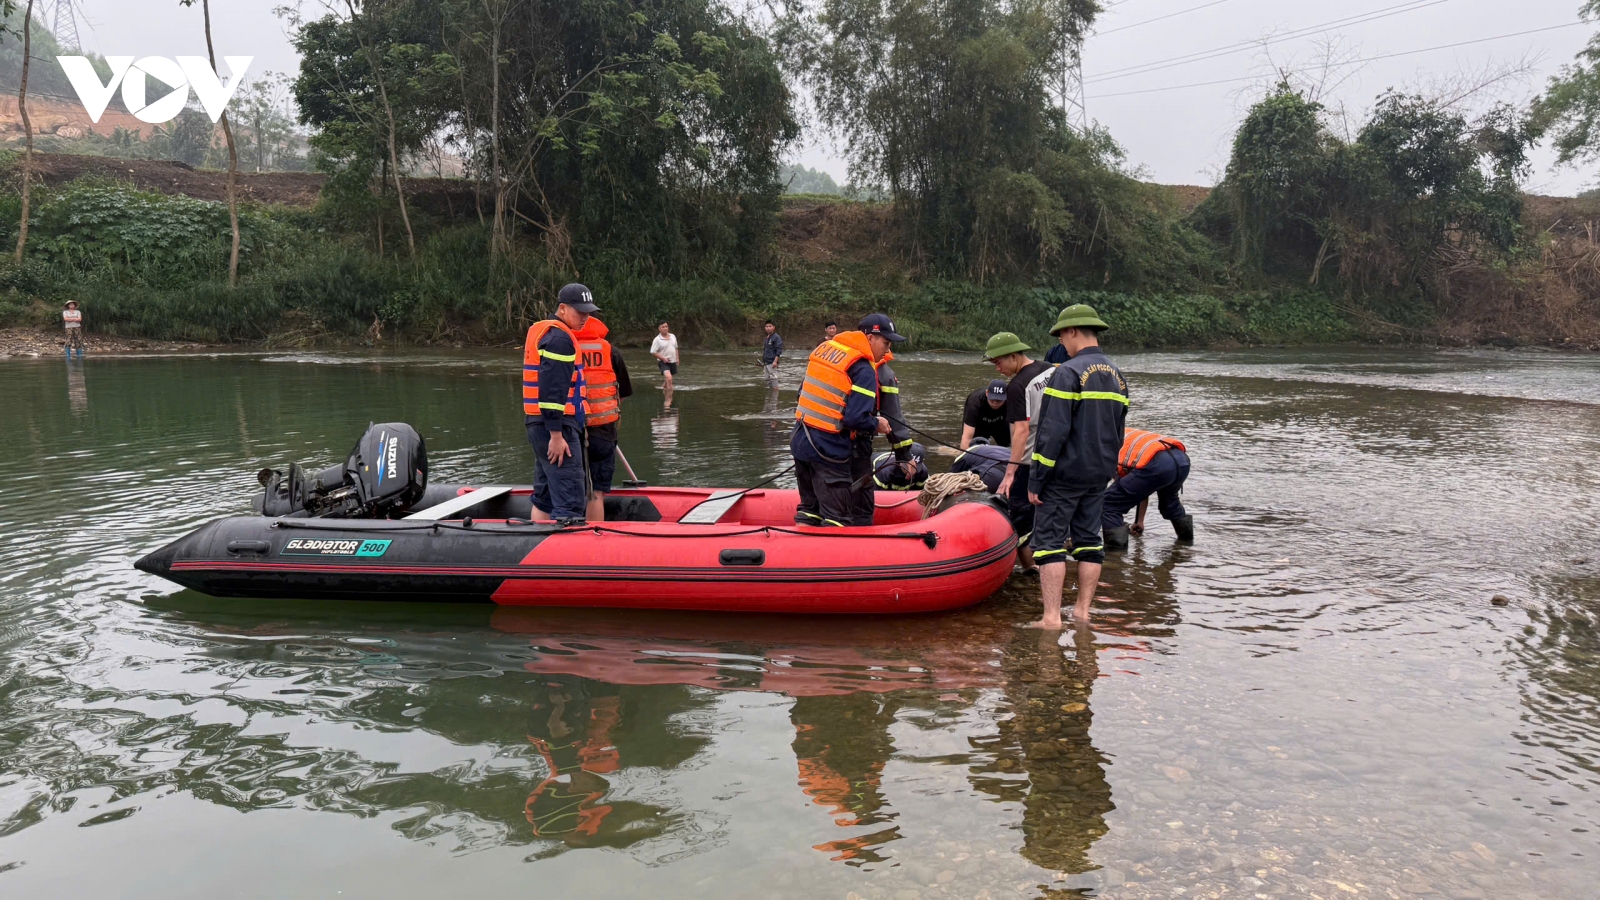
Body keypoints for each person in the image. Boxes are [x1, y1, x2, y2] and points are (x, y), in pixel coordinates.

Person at [1028, 304, 1129, 627]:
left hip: (1064, 474)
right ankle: (1083, 613)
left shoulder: (1067, 372)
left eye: (1062, 335)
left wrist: (1036, 479)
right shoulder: (1118, 377)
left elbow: (1052, 431)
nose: (1062, 343)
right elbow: (1119, 431)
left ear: (1072, 332)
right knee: (1089, 542)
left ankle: (1052, 618)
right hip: (1100, 474)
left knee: (1049, 544)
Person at [791, 313, 912, 527]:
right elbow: (855, 418)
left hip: (801, 440)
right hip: (829, 450)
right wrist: (878, 425)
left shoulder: (825, 352)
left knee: (810, 511)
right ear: (870, 337)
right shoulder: (865, 369)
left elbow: (804, 394)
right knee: (838, 520)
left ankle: (800, 551)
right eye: (886, 342)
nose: (888, 349)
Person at [523, 283, 599, 526]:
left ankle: (536, 547)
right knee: (571, 496)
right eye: (580, 312)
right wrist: (556, 434)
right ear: (563, 308)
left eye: (588, 313)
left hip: (540, 424)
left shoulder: (546, 332)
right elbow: (552, 390)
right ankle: (568, 554)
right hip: (556, 427)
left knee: (545, 494)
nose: (585, 318)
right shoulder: (559, 339)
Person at [983, 332, 1053, 572]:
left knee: (1021, 512)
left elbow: (1021, 431)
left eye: (998, 362)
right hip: (1056, 455)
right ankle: (1051, 557)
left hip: (1030, 460)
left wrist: (1010, 472)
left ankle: (1030, 569)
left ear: (1013, 356)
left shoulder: (1017, 387)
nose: (997, 369)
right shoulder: (1050, 369)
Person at [573, 315, 634, 523]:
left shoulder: (564, 349)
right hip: (603, 431)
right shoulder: (610, 351)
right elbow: (623, 392)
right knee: (596, 493)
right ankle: (593, 537)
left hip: (571, 431)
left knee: (571, 488)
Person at [1103, 428, 1193, 550]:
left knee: (1108, 505)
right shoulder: (1120, 430)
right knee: (1170, 501)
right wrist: (1140, 521)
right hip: (1181, 460)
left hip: (1156, 463)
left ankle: (1116, 556)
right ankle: (1187, 545)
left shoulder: (1102, 443)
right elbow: (1141, 490)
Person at [960, 379, 1011, 449]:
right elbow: (967, 438)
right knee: (975, 447)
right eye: (992, 399)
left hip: (1001, 421)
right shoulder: (975, 402)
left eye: (999, 400)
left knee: (1009, 446)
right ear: (987, 393)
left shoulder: (1012, 401)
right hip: (980, 422)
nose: (995, 403)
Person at [650, 321, 679, 389]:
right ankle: (669, 398)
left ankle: (664, 389)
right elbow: (653, 351)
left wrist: (677, 358)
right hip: (663, 362)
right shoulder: (657, 339)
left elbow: (676, 348)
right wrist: (663, 359)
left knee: (667, 380)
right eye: (663, 327)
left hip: (672, 360)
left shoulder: (673, 336)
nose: (665, 328)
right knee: (669, 378)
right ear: (659, 328)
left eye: (666, 326)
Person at [761, 320, 784, 389]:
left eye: (770, 326)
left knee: (773, 380)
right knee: (768, 380)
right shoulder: (766, 338)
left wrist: (775, 361)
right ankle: (770, 396)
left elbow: (779, 350)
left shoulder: (776, 337)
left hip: (772, 362)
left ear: (773, 327)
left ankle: (775, 397)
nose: (768, 328)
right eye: (766, 326)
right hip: (766, 362)